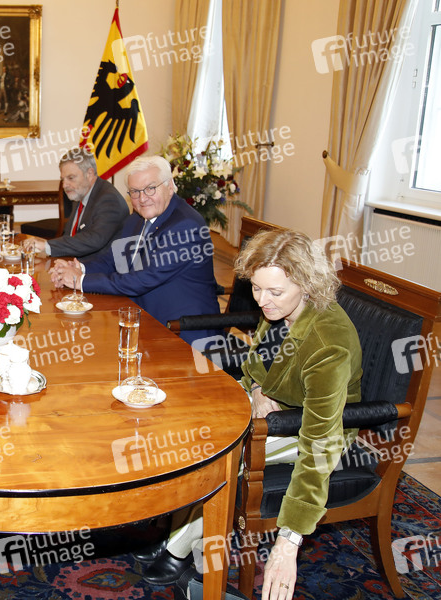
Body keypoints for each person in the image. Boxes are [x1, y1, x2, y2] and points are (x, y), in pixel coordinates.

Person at [138, 229, 362, 597]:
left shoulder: (328, 345)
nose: (262, 300)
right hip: (268, 408)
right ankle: (176, 535)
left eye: (274, 291)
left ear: (307, 284)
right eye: (257, 288)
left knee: (220, 456)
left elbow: (320, 443)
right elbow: (257, 368)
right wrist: (258, 389)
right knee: (191, 427)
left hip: (312, 428)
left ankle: (179, 550)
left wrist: (289, 541)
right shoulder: (281, 310)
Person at [49, 156, 220, 345]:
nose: (142, 198)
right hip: (141, 318)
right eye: (135, 192)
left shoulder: (185, 226)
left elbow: (142, 279)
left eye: (150, 188)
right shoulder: (137, 219)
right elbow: (113, 259)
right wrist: (79, 267)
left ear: (170, 186)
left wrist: (80, 280)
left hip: (181, 332)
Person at [21, 147, 129, 261]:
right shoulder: (81, 193)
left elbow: (93, 240)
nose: (64, 185)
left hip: (101, 266)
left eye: (71, 178)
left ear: (89, 173)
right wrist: (47, 245)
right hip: (78, 262)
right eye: (63, 179)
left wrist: (47, 246)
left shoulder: (109, 200)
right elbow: (70, 236)